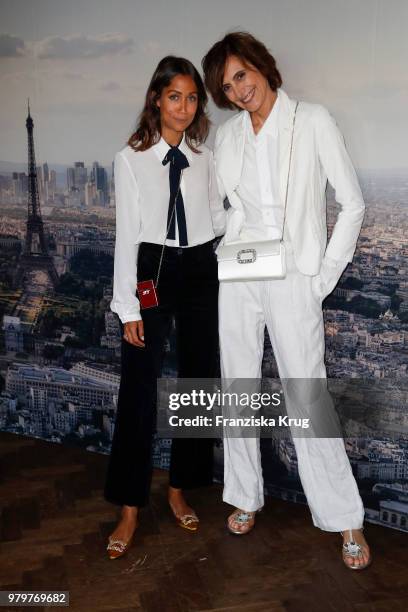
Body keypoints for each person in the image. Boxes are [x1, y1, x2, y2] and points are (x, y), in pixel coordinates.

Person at [202, 31, 371, 570]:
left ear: (261, 66)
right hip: (241, 273)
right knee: (238, 386)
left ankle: (346, 520)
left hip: (294, 276)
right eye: (227, 86)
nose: (237, 90)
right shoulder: (228, 138)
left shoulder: (313, 120)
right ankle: (245, 497)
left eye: (241, 75)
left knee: (306, 394)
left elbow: (353, 204)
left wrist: (320, 278)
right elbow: (223, 206)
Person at [104, 56, 226, 559]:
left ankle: (180, 487)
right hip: (151, 265)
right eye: (174, 95)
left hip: (199, 266)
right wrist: (127, 305)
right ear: (156, 98)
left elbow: (217, 214)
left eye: (192, 97)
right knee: (139, 386)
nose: (184, 105)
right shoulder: (130, 159)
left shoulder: (205, 158)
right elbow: (126, 235)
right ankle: (129, 507)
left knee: (199, 380)